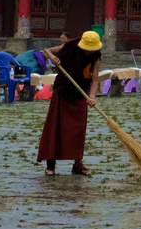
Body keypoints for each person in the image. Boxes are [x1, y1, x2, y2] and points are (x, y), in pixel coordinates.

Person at [37, 31, 103, 176]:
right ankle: (50, 163)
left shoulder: (96, 57)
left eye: (92, 50)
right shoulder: (70, 47)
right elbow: (45, 51)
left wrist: (92, 96)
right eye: (87, 49)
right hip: (63, 92)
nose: (89, 52)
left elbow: (95, 79)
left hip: (80, 94)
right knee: (55, 127)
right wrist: (54, 58)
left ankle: (77, 164)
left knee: (78, 130)